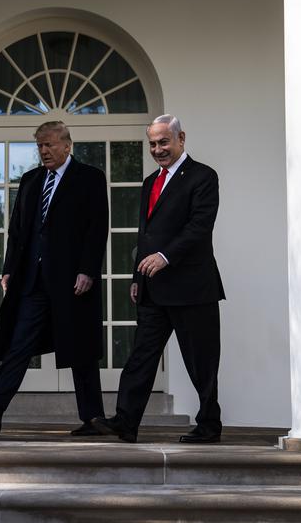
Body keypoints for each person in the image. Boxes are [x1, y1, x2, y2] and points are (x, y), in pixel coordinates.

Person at [0, 121, 109, 437]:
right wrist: (9, 269)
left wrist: (88, 270)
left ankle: (93, 418)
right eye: (40, 146)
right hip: (33, 280)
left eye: (50, 145)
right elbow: (17, 231)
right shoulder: (30, 181)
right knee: (19, 345)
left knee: (80, 348)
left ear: (67, 145)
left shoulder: (90, 179)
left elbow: (97, 230)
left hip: (73, 281)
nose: (44, 151)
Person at [92, 114, 225, 444]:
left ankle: (209, 425)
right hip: (153, 288)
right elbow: (146, 234)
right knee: (141, 357)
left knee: (201, 362)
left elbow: (199, 227)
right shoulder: (150, 182)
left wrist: (165, 257)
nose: (158, 149)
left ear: (181, 138)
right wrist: (139, 275)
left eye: (163, 141)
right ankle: (126, 421)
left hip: (193, 287)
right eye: (152, 143)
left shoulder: (203, 176)